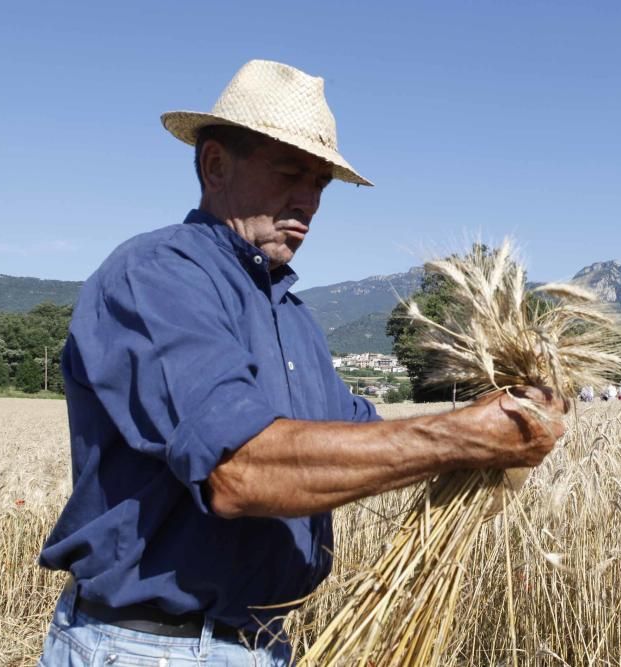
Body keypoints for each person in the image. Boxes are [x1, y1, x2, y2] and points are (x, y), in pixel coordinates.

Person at [36, 60, 567, 666]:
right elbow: (241, 470)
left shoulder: (291, 315)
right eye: (290, 172)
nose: (309, 200)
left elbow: (359, 438)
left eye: (321, 182)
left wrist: (499, 419)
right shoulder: (158, 277)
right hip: (150, 648)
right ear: (215, 164)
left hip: (260, 646)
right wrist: (462, 436)